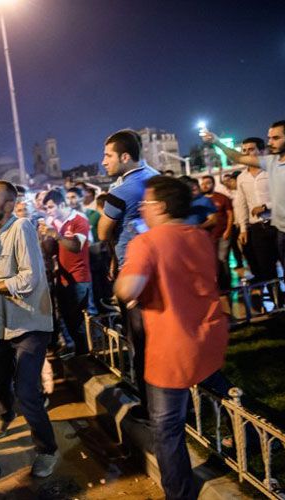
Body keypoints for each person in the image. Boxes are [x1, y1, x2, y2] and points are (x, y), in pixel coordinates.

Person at [114, 175, 229, 500]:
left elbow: (128, 289)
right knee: (217, 384)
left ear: (161, 207)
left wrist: (124, 285)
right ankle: (249, 434)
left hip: (172, 345)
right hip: (208, 335)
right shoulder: (199, 237)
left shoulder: (146, 242)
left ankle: (179, 494)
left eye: (147, 203)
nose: (143, 208)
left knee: (166, 427)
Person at [0, 180, 59, 478]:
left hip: (30, 324)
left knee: (26, 390)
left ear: (9, 204)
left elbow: (29, 278)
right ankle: (5, 416)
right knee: (0, 381)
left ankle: (47, 449)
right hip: (3, 325)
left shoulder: (22, 226)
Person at [98, 130, 158, 411]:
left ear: (125, 156)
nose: (103, 162)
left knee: (140, 341)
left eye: (108, 155)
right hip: (158, 267)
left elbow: (103, 230)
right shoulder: (157, 178)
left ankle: (150, 404)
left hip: (133, 272)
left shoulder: (121, 191)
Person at [202, 120, 285, 299]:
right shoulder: (270, 162)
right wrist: (217, 141)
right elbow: (238, 158)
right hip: (281, 231)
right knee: (281, 275)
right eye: (269, 138)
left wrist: (267, 207)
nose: (270, 142)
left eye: (276, 138)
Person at [42, 189, 92, 355]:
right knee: (66, 317)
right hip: (62, 277)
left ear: (61, 204)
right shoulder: (56, 223)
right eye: (47, 209)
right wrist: (45, 237)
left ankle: (85, 353)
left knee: (77, 320)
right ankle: (78, 352)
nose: (49, 212)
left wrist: (57, 236)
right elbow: (50, 251)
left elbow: (77, 246)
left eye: (51, 207)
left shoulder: (79, 220)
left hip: (78, 277)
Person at [234, 138, 279, 288]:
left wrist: (266, 206)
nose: (247, 153)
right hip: (257, 229)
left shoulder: (273, 170)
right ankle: (278, 306)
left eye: (251, 149)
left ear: (262, 151)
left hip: (279, 223)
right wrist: (243, 228)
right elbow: (241, 204)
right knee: (266, 269)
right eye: (244, 150)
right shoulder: (241, 177)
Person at [200, 175, 234, 290]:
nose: (205, 185)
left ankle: (226, 284)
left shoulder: (222, 198)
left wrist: (228, 230)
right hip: (208, 237)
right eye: (203, 183)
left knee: (222, 259)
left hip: (222, 234)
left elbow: (230, 214)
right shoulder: (199, 201)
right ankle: (218, 285)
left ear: (213, 184)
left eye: (208, 183)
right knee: (213, 261)